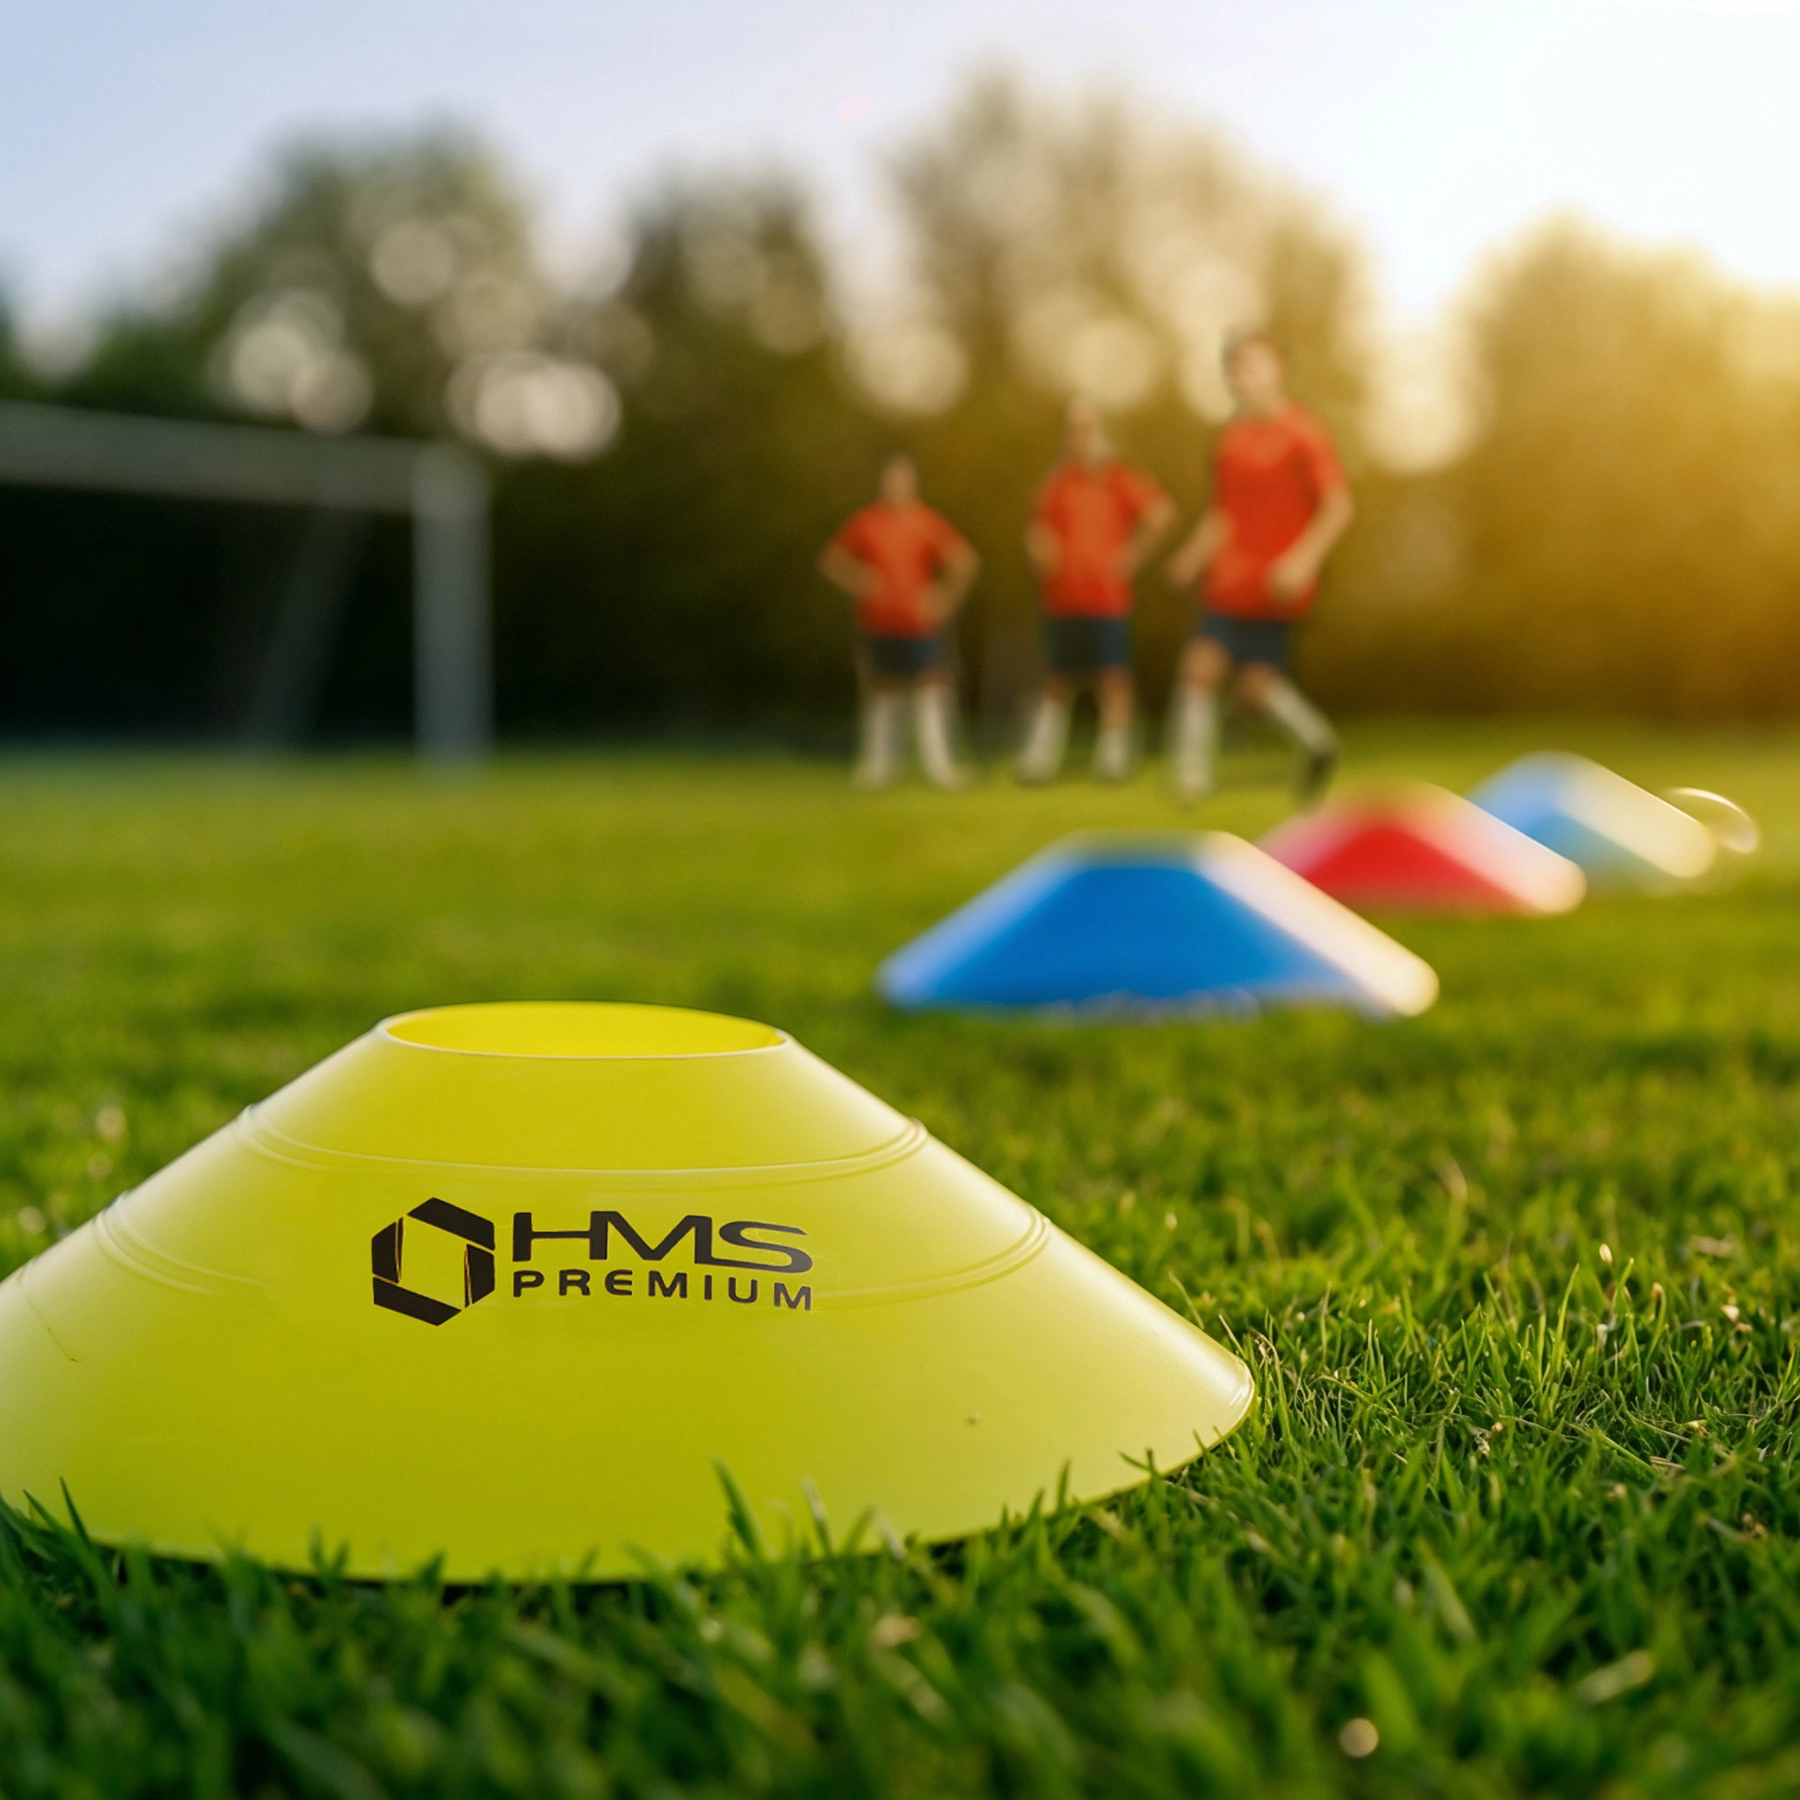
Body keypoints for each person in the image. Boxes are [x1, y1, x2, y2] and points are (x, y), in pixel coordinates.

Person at [1163, 330, 1354, 803]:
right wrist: (1190, 558)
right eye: (1234, 368)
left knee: (1253, 691)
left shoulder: (1304, 432)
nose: (1242, 377)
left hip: (1278, 584)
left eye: (1252, 366)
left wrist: (1302, 561)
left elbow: (1338, 506)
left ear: (1278, 370)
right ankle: (1192, 779)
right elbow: (1222, 514)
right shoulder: (1229, 440)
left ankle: (1317, 741)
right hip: (1229, 581)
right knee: (1202, 668)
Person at [1017, 400, 1175, 784]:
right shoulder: (1057, 483)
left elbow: (1160, 513)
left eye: (1087, 428)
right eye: (1073, 428)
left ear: (1100, 432)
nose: (1080, 436)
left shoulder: (1117, 477)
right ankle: (1039, 762)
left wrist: (1132, 555)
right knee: (1057, 681)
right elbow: (1036, 529)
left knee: (1113, 681)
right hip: (1063, 599)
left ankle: (1114, 762)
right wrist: (1040, 549)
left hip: (1107, 597)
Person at [819, 454, 980, 789]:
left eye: (902, 481)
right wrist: (858, 579)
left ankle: (940, 767)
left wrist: (943, 598)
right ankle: (879, 767)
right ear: (882, 484)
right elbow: (831, 560)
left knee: (931, 689)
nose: (896, 487)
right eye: (890, 481)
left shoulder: (925, 521)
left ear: (912, 484)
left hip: (919, 624)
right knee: (883, 690)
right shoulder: (866, 522)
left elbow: (965, 561)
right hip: (879, 622)